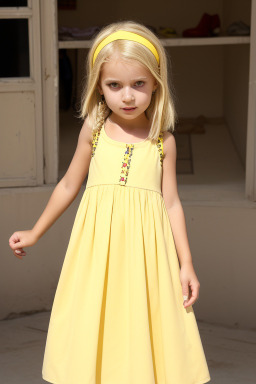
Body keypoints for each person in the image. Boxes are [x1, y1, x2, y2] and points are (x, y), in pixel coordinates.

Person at [9, 20, 211, 384]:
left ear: (155, 84)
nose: (128, 96)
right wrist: (36, 231)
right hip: (96, 254)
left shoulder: (163, 141)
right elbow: (70, 183)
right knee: (95, 325)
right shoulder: (94, 128)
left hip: (146, 257)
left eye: (139, 85)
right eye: (114, 85)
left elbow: (172, 204)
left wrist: (187, 263)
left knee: (141, 327)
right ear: (99, 87)